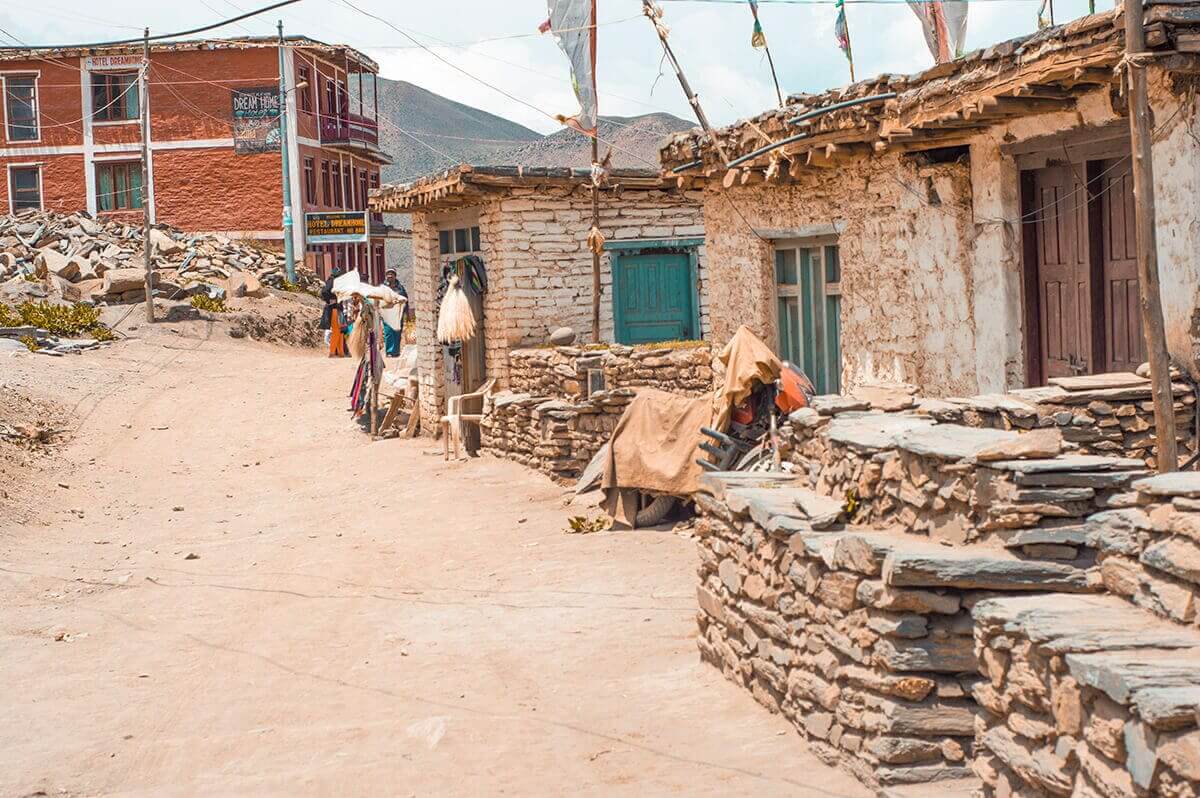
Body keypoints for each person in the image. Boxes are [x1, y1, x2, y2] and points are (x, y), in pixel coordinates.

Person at [319, 267, 348, 358]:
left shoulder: (335, 282)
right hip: (333, 309)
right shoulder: (332, 281)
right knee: (336, 331)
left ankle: (340, 352)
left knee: (340, 331)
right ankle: (332, 352)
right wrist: (331, 300)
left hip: (337, 308)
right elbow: (324, 292)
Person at [382, 268, 409, 357]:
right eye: (388, 275)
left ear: (395, 276)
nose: (389, 276)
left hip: (398, 314)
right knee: (388, 332)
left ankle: (396, 351)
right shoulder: (383, 288)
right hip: (387, 313)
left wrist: (406, 313)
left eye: (391, 274)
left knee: (397, 332)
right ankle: (389, 351)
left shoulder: (400, 288)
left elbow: (406, 300)